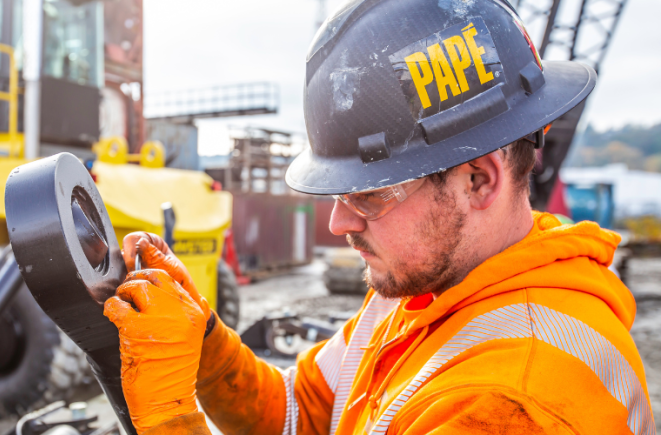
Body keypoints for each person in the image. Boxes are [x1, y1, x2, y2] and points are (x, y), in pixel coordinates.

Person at [104, 0, 655, 433]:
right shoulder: (429, 285)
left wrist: (171, 422)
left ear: (478, 180)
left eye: (370, 194)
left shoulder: (512, 402)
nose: (337, 225)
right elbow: (303, 415)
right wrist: (204, 343)